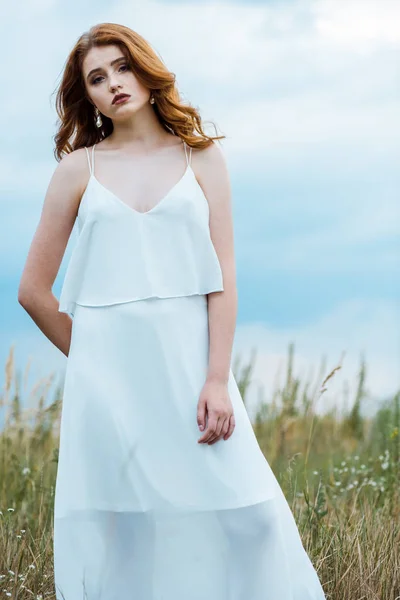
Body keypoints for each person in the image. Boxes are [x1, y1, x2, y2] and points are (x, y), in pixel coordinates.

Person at [18, 22, 326, 600]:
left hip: (193, 373)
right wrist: (93, 361)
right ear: (88, 96)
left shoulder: (202, 158)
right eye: (97, 78)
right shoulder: (76, 171)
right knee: (126, 530)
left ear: (146, 68)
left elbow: (223, 276)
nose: (113, 83)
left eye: (122, 67)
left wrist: (215, 378)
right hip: (107, 383)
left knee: (251, 519)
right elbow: (33, 291)